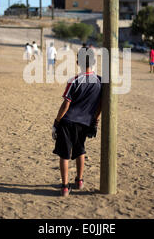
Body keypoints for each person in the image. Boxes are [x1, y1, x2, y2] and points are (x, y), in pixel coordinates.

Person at [52, 47, 102, 197]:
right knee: (80, 150)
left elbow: (66, 104)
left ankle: (65, 187)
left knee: (64, 154)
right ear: (93, 62)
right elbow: (100, 105)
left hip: (68, 122)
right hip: (85, 122)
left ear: (77, 62)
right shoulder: (99, 81)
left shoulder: (74, 80)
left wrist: (56, 121)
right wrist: (95, 120)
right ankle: (79, 181)